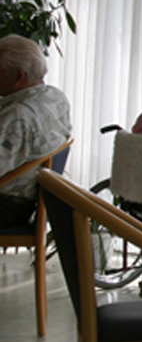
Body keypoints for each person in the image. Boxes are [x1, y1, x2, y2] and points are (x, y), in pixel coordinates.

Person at [0, 34, 71, 228]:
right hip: (25, 202)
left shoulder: (18, 116)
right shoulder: (55, 97)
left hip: (7, 206)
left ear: (19, 76)